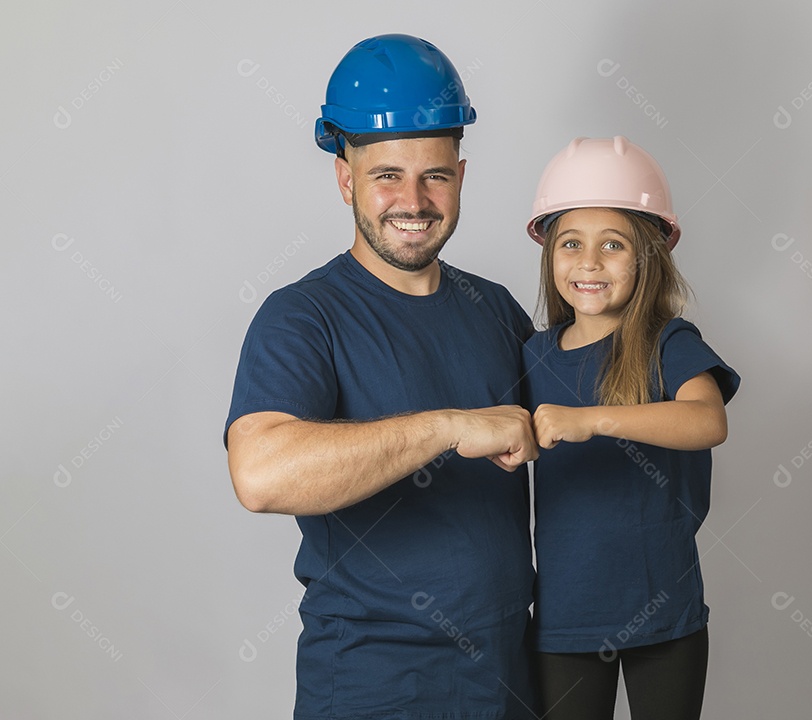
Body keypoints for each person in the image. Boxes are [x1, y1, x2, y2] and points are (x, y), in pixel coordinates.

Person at [224, 34, 539, 719]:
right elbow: (261, 474)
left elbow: (584, 424)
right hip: (376, 690)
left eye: (436, 176)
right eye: (387, 175)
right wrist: (448, 427)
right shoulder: (303, 317)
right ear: (345, 179)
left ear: (462, 175)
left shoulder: (496, 310)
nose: (414, 201)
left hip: (511, 684)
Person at [521, 136, 740, 720]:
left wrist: (592, 420)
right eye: (571, 243)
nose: (589, 262)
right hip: (565, 618)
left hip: (665, 612)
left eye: (612, 245)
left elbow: (707, 419)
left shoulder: (669, 342)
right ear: (549, 255)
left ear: (648, 257)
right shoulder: (531, 358)